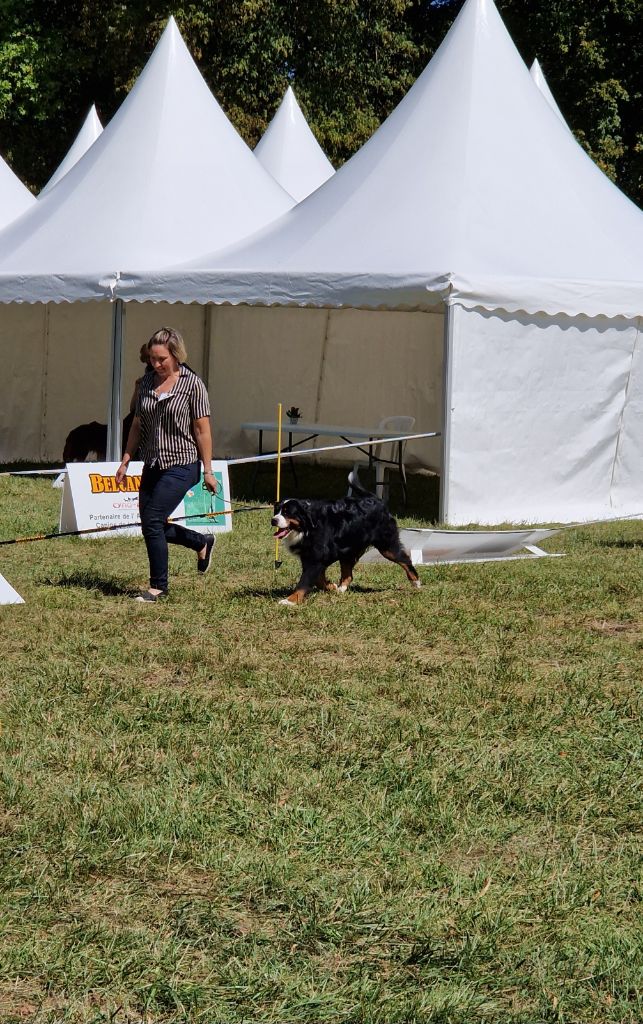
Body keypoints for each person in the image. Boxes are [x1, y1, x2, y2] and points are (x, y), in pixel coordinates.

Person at [116, 327, 217, 602]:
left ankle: (158, 587)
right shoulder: (146, 383)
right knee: (151, 522)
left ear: (176, 355)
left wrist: (207, 470)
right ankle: (201, 542)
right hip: (152, 462)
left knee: (152, 520)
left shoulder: (192, 384)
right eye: (152, 359)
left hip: (183, 463)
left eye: (161, 359)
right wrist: (126, 459)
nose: (156, 364)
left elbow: (202, 430)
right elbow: (137, 424)